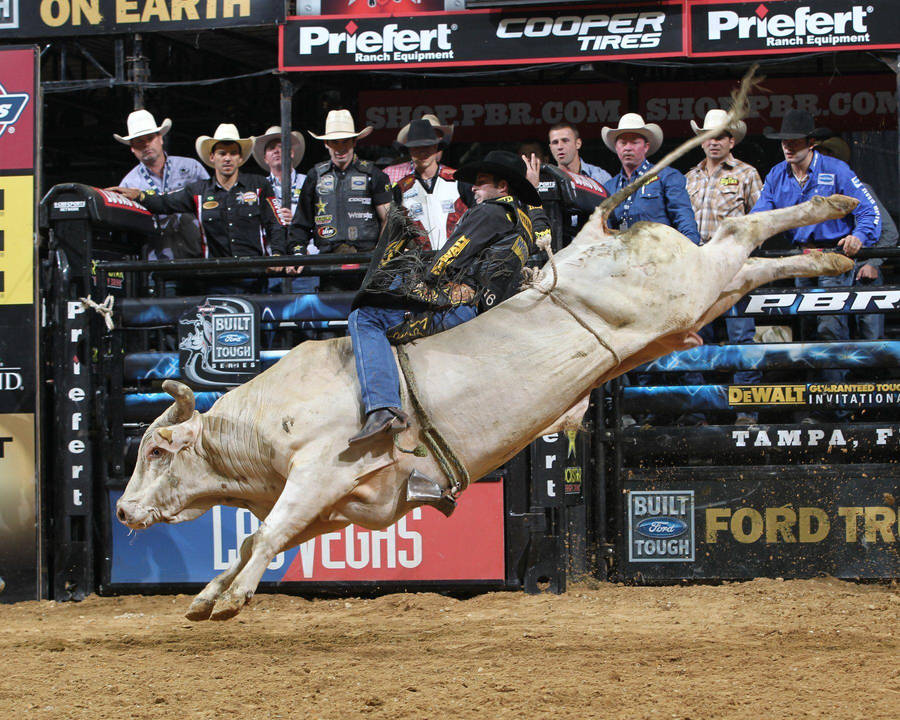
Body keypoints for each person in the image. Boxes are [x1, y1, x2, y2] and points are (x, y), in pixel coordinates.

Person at [346, 151, 548, 445]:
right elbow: (542, 231)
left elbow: (447, 261)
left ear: (502, 187)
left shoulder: (487, 213)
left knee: (364, 316)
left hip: (462, 310)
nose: (474, 189)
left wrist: (416, 278)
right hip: (495, 312)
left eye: (481, 183)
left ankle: (382, 406)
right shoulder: (525, 223)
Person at [752, 110, 881, 417]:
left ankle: (834, 409)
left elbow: (869, 212)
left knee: (829, 328)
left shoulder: (836, 169)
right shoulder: (776, 175)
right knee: (809, 330)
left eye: (794, 142)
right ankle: (818, 404)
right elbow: (760, 215)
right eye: (784, 141)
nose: (788, 147)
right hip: (801, 259)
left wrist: (859, 237)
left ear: (810, 143)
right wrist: (749, 234)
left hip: (832, 257)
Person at [110, 123, 290, 293]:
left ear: (240, 157)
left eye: (233, 153)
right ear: (212, 158)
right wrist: (139, 195)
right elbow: (164, 202)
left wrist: (277, 253)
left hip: (255, 276)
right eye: (222, 153)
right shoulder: (198, 191)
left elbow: (274, 222)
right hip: (216, 279)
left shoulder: (258, 185)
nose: (227, 158)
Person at [685, 109, 764, 425]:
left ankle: (746, 411)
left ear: (732, 141)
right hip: (697, 271)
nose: (714, 142)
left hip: (733, 270)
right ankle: (699, 413)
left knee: (741, 337)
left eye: (720, 136)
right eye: (709, 136)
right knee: (693, 338)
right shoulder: (690, 177)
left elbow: (761, 223)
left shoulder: (747, 174)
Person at [290, 110, 392, 281]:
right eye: (335, 142)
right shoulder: (315, 176)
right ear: (326, 144)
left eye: (345, 142)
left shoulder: (374, 174)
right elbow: (301, 222)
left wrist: (380, 255)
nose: (340, 148)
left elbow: (389, 220)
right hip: (328, 263)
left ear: (354, 142)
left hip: (367, 262)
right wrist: (298, 251)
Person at [816, 135, 898, 342]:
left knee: (871, 335)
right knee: (829, 332)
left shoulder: (861, 190)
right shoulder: (815, 195)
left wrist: (873, 263)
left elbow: (890, 232)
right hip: (830, 269)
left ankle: (873, 374)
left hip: (863, 269)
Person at [115, 109, 208, 262]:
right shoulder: (129, 184)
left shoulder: (192, 168)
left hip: (198, 257)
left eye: (150, 138)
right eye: (139, 141)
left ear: (160, 139)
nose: (146, 145)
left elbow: (212, 205)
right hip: (156, 263)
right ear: (132, 148)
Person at [601, 113, 701, 244]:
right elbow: (605, 230)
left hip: (660, 256)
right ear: (616, 147)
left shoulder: (666, 176)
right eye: (623, 143)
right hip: (623, 258)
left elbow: (683, 219)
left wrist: (690, 251)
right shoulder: (609, 186)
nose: (628, 148)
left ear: (646, 146)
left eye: (634, 142)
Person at [253, 126, 317, 293]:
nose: (277, 151)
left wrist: (306, 253)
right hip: (271, 265)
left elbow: (322, 219)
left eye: (282, 147)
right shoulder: (257, 188)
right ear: (265, 157)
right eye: (271, 148)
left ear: (292, 153)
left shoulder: (309, 182)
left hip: (306, 262)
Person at [392, 119, 472, 251]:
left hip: (458, 260)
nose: (422, 152)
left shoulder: (459, 179)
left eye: (427, 146)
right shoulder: (401, 188)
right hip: (422, 263)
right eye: (416, 148)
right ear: (409, 151)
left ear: (436, 148)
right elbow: (396, 231)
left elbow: (478, 219)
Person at [384, 114, 455, 185]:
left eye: (430, 143)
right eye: (417, 145)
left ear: (439, 143)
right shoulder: (390, 174)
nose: (423, 151)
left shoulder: (454, 177)